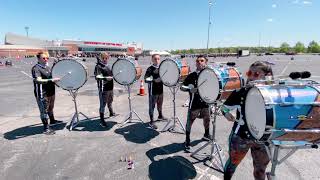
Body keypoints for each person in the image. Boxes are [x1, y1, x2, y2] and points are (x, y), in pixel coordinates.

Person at [222, 61, 273, 180]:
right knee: (232, 164)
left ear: (267, 75)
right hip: (241, 137)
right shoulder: (240, 92)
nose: (250, 76)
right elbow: (224, 107)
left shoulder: (274, 94)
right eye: (249, 73)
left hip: (264, 140)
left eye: (256, 74)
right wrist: (226, 114)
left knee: (260, 171)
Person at [181, 55, 211, 151]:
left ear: (206, 62)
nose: (199, 62)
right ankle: (187, 140)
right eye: (198, 61)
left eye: (202, 61)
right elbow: (182, 87)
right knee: (190, 122)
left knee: (207, 120)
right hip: (194, 104)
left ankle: (206, 134)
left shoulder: (209, 75)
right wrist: (189, 89)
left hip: (205, 103)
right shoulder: (192, 75)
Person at [31, 52, 60, 135]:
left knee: (51, 107)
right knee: (44, 111)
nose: (46, 59)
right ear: (38, 59)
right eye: (43, 58)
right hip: (42, 93)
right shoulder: (36, 68)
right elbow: (38, 80)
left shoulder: (47, 67)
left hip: (51, 91)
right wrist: (51, 80)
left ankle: (52, 120)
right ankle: (46, 128)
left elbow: (52, 76)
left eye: (47, 58)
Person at [94, 52, 117, 127]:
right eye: (103, 58)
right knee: (103, 104)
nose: (104, 59)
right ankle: (102, 120)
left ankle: (111, 112)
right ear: (101, 58)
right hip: (103, 88)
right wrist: (105, 78)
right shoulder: (98, 66)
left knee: (110, 101)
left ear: (108, 58)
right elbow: (97, 76)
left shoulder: (109, 66)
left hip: (110, 87)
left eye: (106, 58)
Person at [144, 54, 167, 129]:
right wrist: (154, 80)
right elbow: (146, 79)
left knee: (160, 105)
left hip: (161, 91)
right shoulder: (150, 69)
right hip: (153, 92)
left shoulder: (161, 68)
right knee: (152, 106)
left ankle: (160, 116)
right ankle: (151, 121)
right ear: (152, 60)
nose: (157, 60)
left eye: (158, 59)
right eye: (155, 59)